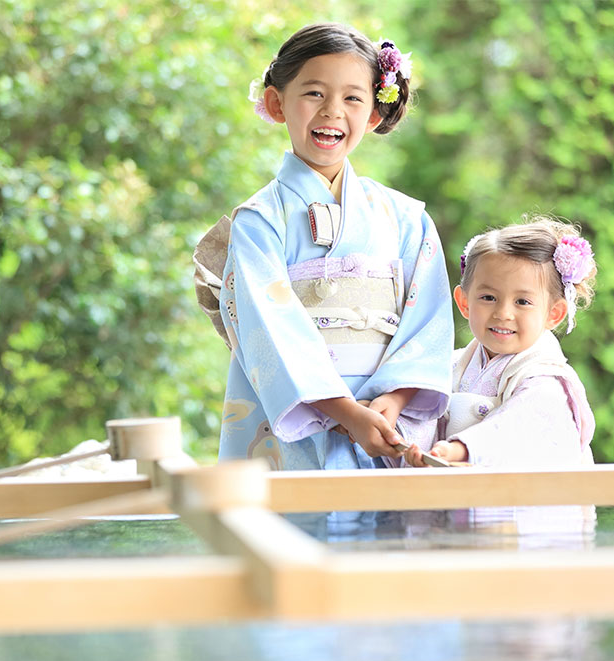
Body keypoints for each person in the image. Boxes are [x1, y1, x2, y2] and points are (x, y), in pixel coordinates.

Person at [194, 23, 453, 471]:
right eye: (314, 93)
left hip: (385, 417)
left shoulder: (408, 218)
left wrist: (395, 397)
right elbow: (267, 329)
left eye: (353, 98)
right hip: (297, 419)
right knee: (294, 532)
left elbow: (427, 324)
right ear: (277, 103)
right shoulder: (259, 221)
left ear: (374, 113)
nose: (333, 111)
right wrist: (344, 412)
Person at [402, 216, 597, 468]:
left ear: (553, 314)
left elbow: (520, 427)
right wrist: (396, 431)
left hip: (526, 501)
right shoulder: (449, 365)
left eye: (523, 302)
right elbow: (422, 416)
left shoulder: (548, 382)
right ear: (464, 302)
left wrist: (460, 449)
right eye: (488, 297)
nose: (503, 313)